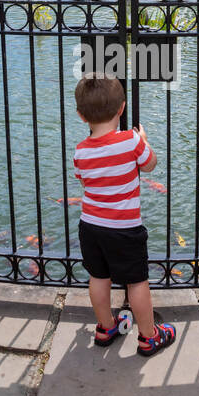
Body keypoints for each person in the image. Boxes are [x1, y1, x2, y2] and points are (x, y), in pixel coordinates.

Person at [72, 75, 176, 357]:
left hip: (91, 226)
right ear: (121, 108)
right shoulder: (130, 141)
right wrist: (143, 140)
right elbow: (151, 164)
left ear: (81, 116)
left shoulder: (80, 152)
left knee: (98, 276)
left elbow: (84, 182)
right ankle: (148, 336)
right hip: (124, 228)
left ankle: (106, 327)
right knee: (137, 281)